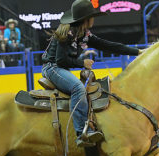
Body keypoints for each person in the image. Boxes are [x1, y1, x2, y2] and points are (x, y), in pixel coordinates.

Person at [41, 0, 142, 147]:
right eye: (92, 16)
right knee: (78, 88)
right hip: (52, 68)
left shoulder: (84, 34)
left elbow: (109, 45)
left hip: (60, 68)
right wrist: (82, 63)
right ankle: (82, 133)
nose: (94, 19)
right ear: (85, 19)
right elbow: (60, 60)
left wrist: (137, 52)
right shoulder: (67, 32)